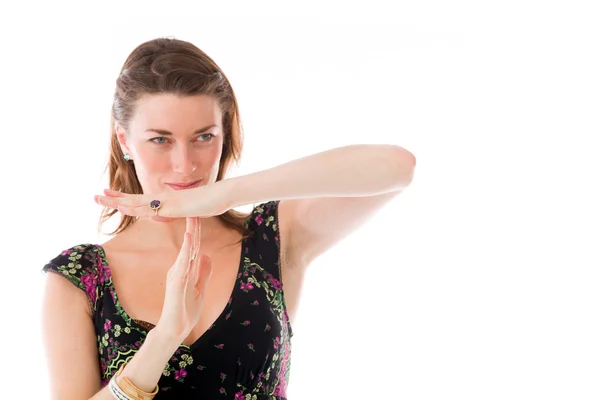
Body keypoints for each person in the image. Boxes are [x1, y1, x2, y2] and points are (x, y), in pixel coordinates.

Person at [41, 37, 416, 400]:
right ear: (125, 140)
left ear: (225, 134)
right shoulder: (82, 276)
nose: (184, 165)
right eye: (160, 140)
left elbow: (396, 166)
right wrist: (165, 337)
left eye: (203, 137)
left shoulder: (270, 238)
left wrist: (226, 193)